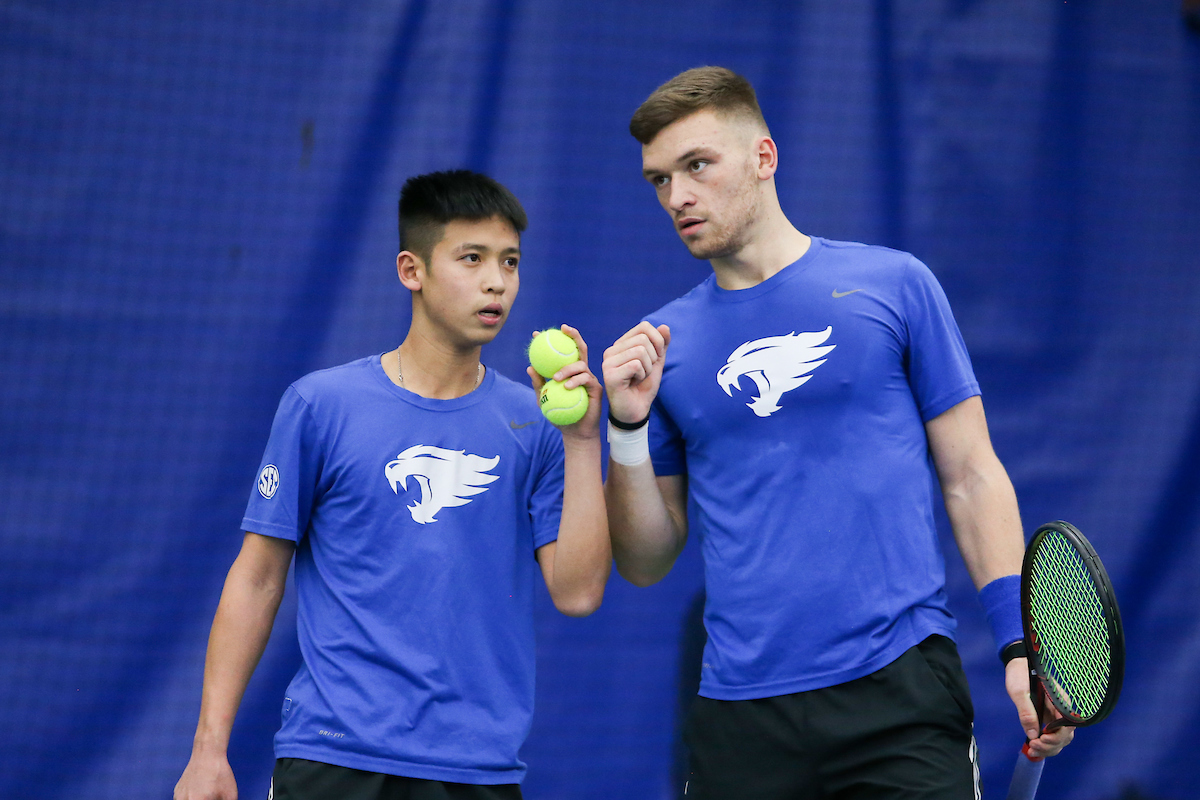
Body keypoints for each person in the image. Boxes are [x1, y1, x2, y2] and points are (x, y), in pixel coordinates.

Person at [601, 67, 1073, 798]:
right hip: (741, 718)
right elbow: (643, 560)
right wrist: (626, 430)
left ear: (764, 158)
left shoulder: (896, 285)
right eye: (659, 180)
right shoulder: (664, 345)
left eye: (697, 166)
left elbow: (971, 475)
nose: (678, 197)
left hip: (901, 698)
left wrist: (1020, 645)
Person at [174, 170, 610, 800]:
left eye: (510, 262)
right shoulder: (320, 405)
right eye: (472, 258)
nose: (497, 281)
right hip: (332, 761)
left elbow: (577, 592)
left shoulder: (535, 424)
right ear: (412, 270)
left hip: (476, 770)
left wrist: (583, 441)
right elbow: (258, 576)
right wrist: (208, 749)